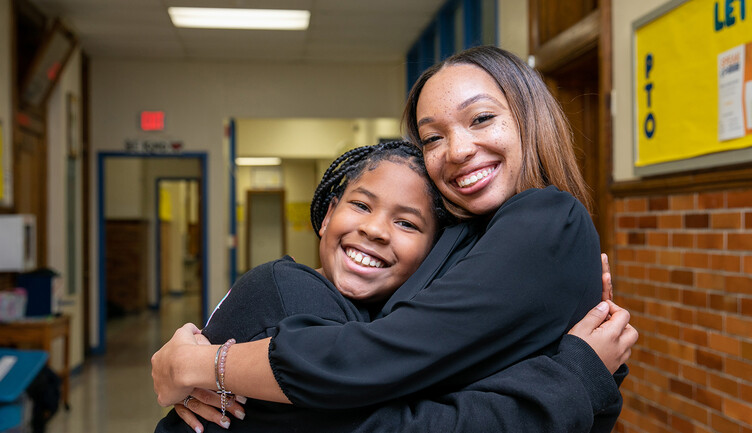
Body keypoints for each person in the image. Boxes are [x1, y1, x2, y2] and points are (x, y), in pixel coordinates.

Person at [152, 45, 638, 432]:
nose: (458, 150)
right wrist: (580, 378)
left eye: (482, 118)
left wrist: (204, 365)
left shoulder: (545, 216)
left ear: (530, 118)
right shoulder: (473, 235)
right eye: (433, 138)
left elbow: (375, 360)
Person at [155, 140, 453, 432]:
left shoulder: (377, 315)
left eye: (406, 223)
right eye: (361, 205)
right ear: (327, 216)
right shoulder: (291, 295)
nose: (374, 230)